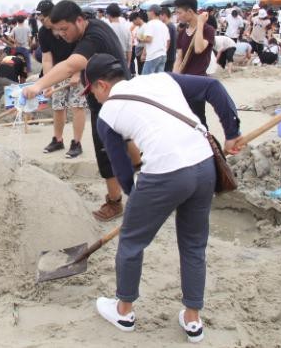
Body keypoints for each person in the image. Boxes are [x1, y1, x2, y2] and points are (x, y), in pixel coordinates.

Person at [83, 54, 242, 343]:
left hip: (165, 172)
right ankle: (193, 319)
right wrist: (232, 132)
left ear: (101, 85)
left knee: (131, 241)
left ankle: (123, 311)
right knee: (194, 244)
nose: (94, 97)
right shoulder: (160, 78)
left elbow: (122, 170)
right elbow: (213, 87)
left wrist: (137, 200)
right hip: (204, 164)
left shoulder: (107, 115)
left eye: (92, 91)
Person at [22, 0, 135, 222]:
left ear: (80, 21)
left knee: (105, 150)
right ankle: (141, 175)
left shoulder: (94, 36)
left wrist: (38, 85)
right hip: (110, 95)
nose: (61, 34)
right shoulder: (92, 26)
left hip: (111, 101)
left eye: (64, 29)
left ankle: (115, 201)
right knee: (125, 141)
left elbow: (71, 64)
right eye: (57, 30)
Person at [37, 0, 86, 159]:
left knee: (77, 105)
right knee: (58, 106)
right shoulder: (43, 33)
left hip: (77, 67)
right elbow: (46, 59)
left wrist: (77, 74)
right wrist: (48, 82)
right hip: (59, 71)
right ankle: (57, 140)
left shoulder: (70, 28)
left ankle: (76, 143)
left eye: (43, 19)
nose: (41, 22)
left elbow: (82, 52)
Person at [173, 0, 215, 128]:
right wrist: (174, 78)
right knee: (184, 119)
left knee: (198, 119)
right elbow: (179, 59)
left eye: (179, 13)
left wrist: (200, 24)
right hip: (184, 81)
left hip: (198, 81)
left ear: (190, 12)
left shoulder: (208, 30)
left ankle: (206, 140)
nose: (177, 17)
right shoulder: (182, 33)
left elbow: (198, 49)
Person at [140, 5, 170, 75]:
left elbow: (149, 39)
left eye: (148, 11)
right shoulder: (164, 25)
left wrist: (139, 38)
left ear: (152, 12)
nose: (147, 13)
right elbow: (168, 41)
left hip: (153, 55)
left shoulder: (150, 24)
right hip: (163, 55)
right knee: (158, 79)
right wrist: (164, 51)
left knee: (145, 79)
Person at [160, 7, 178, 72]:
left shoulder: (168, 27)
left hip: (168, 56)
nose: (159, 18)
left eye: (160, 15)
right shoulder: (171, 25)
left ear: (164, 15)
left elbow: (167, 42)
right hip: (171, 55)